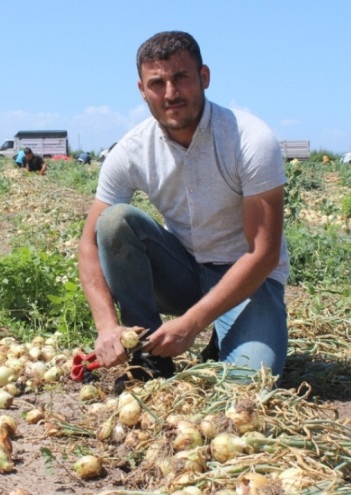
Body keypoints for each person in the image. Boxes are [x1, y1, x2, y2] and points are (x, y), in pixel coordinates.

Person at [77, 31, 289, 392]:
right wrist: (106, 327)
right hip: (184, 273)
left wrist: (192, 324)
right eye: (157, 83)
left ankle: (224, 336)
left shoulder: (249, 139)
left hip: (247, 279)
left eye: (181, 78)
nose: (171, 94)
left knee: (249, 385)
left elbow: (264, 253)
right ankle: (150, 354)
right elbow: (88, 246)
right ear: (142, 91)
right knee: (113, 222)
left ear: (204, 77)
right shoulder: (130, 150)